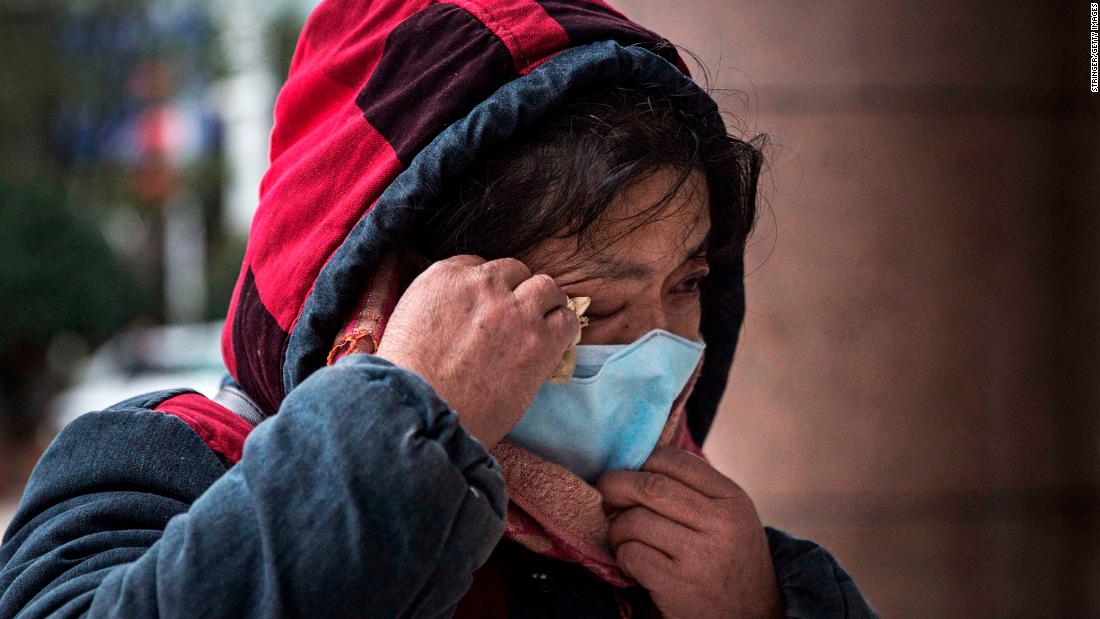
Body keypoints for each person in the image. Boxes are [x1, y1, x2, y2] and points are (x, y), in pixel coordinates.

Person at [0, 1, 878, 617]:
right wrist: (404, 417)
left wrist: (769, 605)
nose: (660, 344)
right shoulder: (164, 462)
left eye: (687, 284)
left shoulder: (678, 553)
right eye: (595, 303)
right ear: (408, 289)